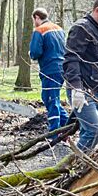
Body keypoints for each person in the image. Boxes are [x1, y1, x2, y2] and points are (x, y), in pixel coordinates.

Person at [63, 0, 98, 151]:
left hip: (96, 90)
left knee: (88, 131)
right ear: (97, 10)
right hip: (84, 90)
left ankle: (82, 166)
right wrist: (76, 88)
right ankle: (73, 166)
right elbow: (71, 59)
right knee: (95, 132)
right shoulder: (82, 28)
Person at [29, 8, 69, 137]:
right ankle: (67, 124)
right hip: (62, 67)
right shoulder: (59, 29)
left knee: (51, 99)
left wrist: (30, 54)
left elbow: (35, 52)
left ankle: (54, 133)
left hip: (49, 69)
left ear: (36, 17)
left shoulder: (39, 30)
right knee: (50, 97)